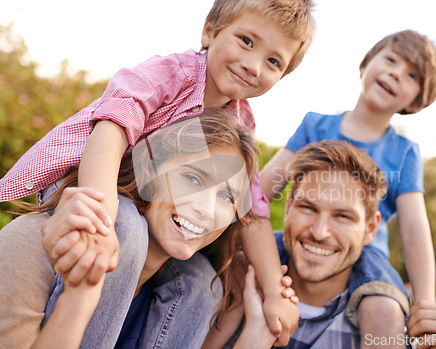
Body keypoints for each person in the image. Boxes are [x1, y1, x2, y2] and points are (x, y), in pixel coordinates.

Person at [0, 0, 315, 346]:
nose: (254, 66)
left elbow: (251, 205)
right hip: (86, 182)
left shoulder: (240, 123)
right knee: (127, 228)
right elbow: (110, 131)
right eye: (246, 41)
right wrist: (100, 220)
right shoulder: (171, 73)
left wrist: (274, 291)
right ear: (210, 30)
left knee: (199, 282)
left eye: (273, 61)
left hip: (144, 205)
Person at [0, 111, 281, 348]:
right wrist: (79, 298)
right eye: (193, 178)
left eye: (226, 197)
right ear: (149, 169)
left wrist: (259, 333)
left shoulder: (188, 299)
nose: (206, 210)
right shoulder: (29, 244)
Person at [261, 29, 436, 343]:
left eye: (411, 75)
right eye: (390, 60)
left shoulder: (404, 153)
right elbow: (262, 190)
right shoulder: (315, 125)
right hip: (298, 241)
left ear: (417, 100)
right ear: (366, 64)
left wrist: (425, 303)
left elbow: (414, 231)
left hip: (365, 255)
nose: (395, 74)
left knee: (384, 310)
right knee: (237, 263)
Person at [223, 139, 403, 348]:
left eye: (343, 216)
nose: (319, 232)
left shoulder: (384, 322)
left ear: (370, 229)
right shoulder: (232, 275)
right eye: (308, 208)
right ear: (289, 206)